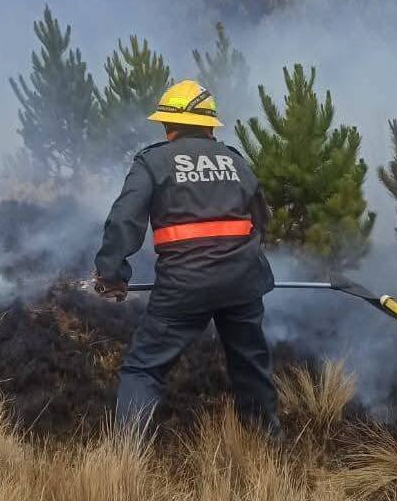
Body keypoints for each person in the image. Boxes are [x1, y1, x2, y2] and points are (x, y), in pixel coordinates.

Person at [93, 79, 279, 434]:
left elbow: (124, 219)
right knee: (251, 366)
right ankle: (269, 443)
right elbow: (261, 220)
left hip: (184, 286)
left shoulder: (153, 161)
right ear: (210, 126)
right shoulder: (235, 160)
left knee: (144, 368)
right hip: (242, 282)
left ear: (169, 125)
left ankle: (125, 455)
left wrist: (111, 274)